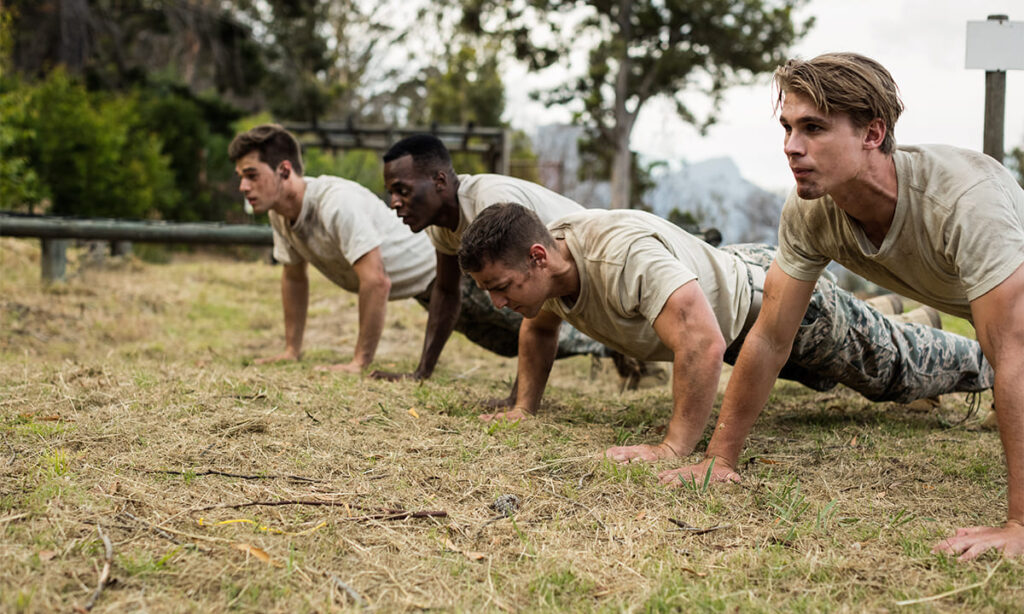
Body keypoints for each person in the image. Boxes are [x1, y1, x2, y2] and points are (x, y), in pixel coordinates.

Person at [670, 52, 1024, 561]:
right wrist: (718, 459)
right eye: (788, 128)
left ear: (872, 134)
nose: (792, 147)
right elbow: (770, 337)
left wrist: (1018, 523)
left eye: (813, 128)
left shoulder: (966, 199)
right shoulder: (810, 211)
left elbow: (1011, 351)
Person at [456, 203, 993, 458]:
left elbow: (701, 342)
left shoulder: (621, 258)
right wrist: (524, 408)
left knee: (893, 371)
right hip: (730, 293)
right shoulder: (550, 269)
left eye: (500, 286)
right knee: (833, 376)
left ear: (538, 256)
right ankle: (896, 315)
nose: (497, 302)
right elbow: (540, 331)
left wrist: (673, 448)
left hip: (777, 305)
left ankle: (997, 364)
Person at [374, 134, 609, 390]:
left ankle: (613, 352)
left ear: (439, 180)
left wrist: (520, 402)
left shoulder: (491, 203)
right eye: (391, 193)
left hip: (599, 271)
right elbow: (446, 290)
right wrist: (421, 372)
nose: (394, 203)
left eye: (402, 190)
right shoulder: (440, 226)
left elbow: (535, 278)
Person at [228, 124, 435, 372]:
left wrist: (359, 363)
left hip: (445, 273)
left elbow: (377, 282)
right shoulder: (279, 212)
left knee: (495, 337)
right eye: (241, 177)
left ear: (284, 170)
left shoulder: (336, 203)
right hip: (421, 288)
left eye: (251, 175)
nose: (243, 186)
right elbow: (294, 277)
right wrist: (291, 351)